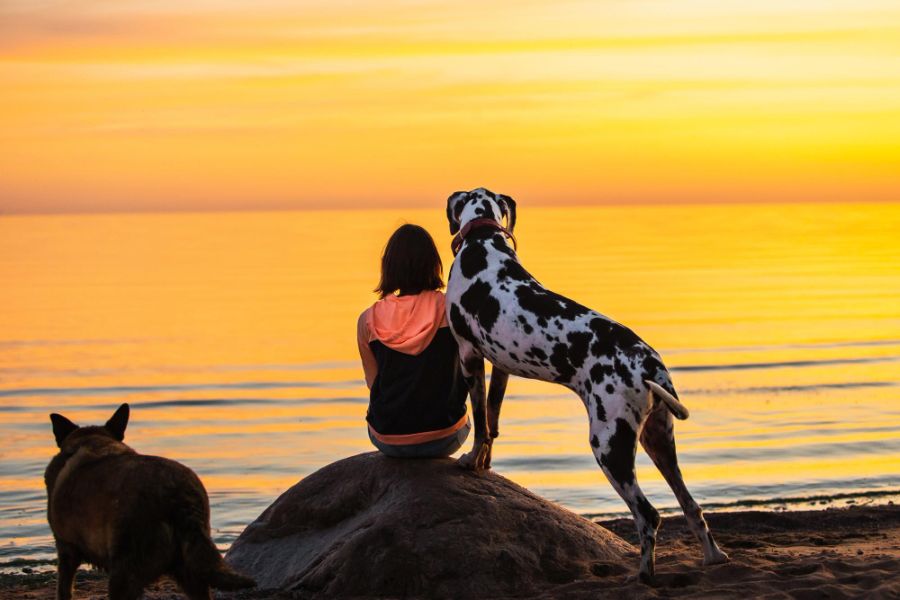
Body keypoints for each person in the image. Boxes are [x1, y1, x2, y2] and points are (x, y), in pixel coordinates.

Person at [357, 224, 470, 458]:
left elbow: (374, 385)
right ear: (433, 264)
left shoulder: (368, 320)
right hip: (445, 436)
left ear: (389, 267)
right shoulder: (452, 309)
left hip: (388, 438)